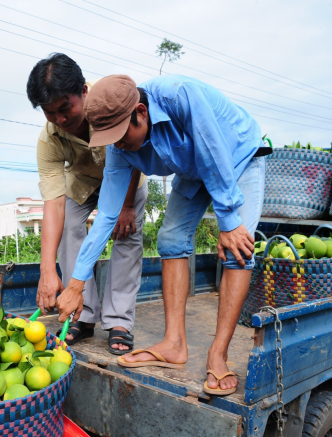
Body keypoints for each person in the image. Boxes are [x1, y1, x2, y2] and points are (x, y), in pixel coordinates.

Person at [54, 74, 269, 395]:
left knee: (238, 248)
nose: (118, 145)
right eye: (110, 139)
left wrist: (228, 219)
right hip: (193, 169)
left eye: (121, 136)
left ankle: (218, 353)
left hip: (238, 156)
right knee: (170, 240)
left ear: (141, 112)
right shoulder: (118, 146)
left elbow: (212, 150)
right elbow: (107, 216)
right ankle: (174, 344)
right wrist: (76, 284)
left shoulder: (179, 96)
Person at [26, 54, 148, 354]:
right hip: (82, 182)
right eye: (50, 113)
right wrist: (46, 271)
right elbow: (53, 204)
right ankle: (84, 313)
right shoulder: (48, 140)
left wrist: (127, 204)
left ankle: (119, 320)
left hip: (127, 179)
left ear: (83, 91)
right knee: (67, 226)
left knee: (126, 234)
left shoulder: (108, 104)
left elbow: (134, 152)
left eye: (65, 108)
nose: (60, 120)